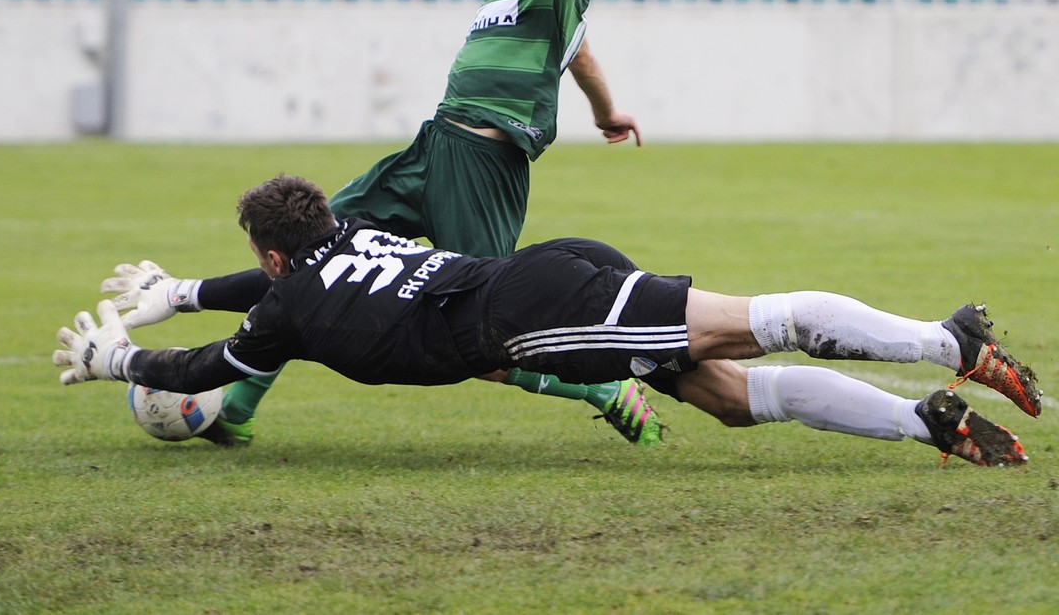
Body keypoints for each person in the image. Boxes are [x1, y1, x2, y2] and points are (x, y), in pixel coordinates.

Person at [103, 0, 652, 447]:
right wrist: (606, 112)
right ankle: (236, 405)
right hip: (436, 145)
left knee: (482, 332)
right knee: (310, 255)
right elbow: (582, 53)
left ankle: (601, 386)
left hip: (479, 164)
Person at [56, 175, 1043, 468]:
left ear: (275, 256)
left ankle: (943, 344)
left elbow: (203, 369)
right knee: (732, 398)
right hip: (545, 271)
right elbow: (261, 287)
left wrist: (116, 357)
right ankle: (925, 419)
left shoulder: (289, 304)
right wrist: (183, 288)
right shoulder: (343, 234)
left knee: (751, 324)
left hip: (532, 312)